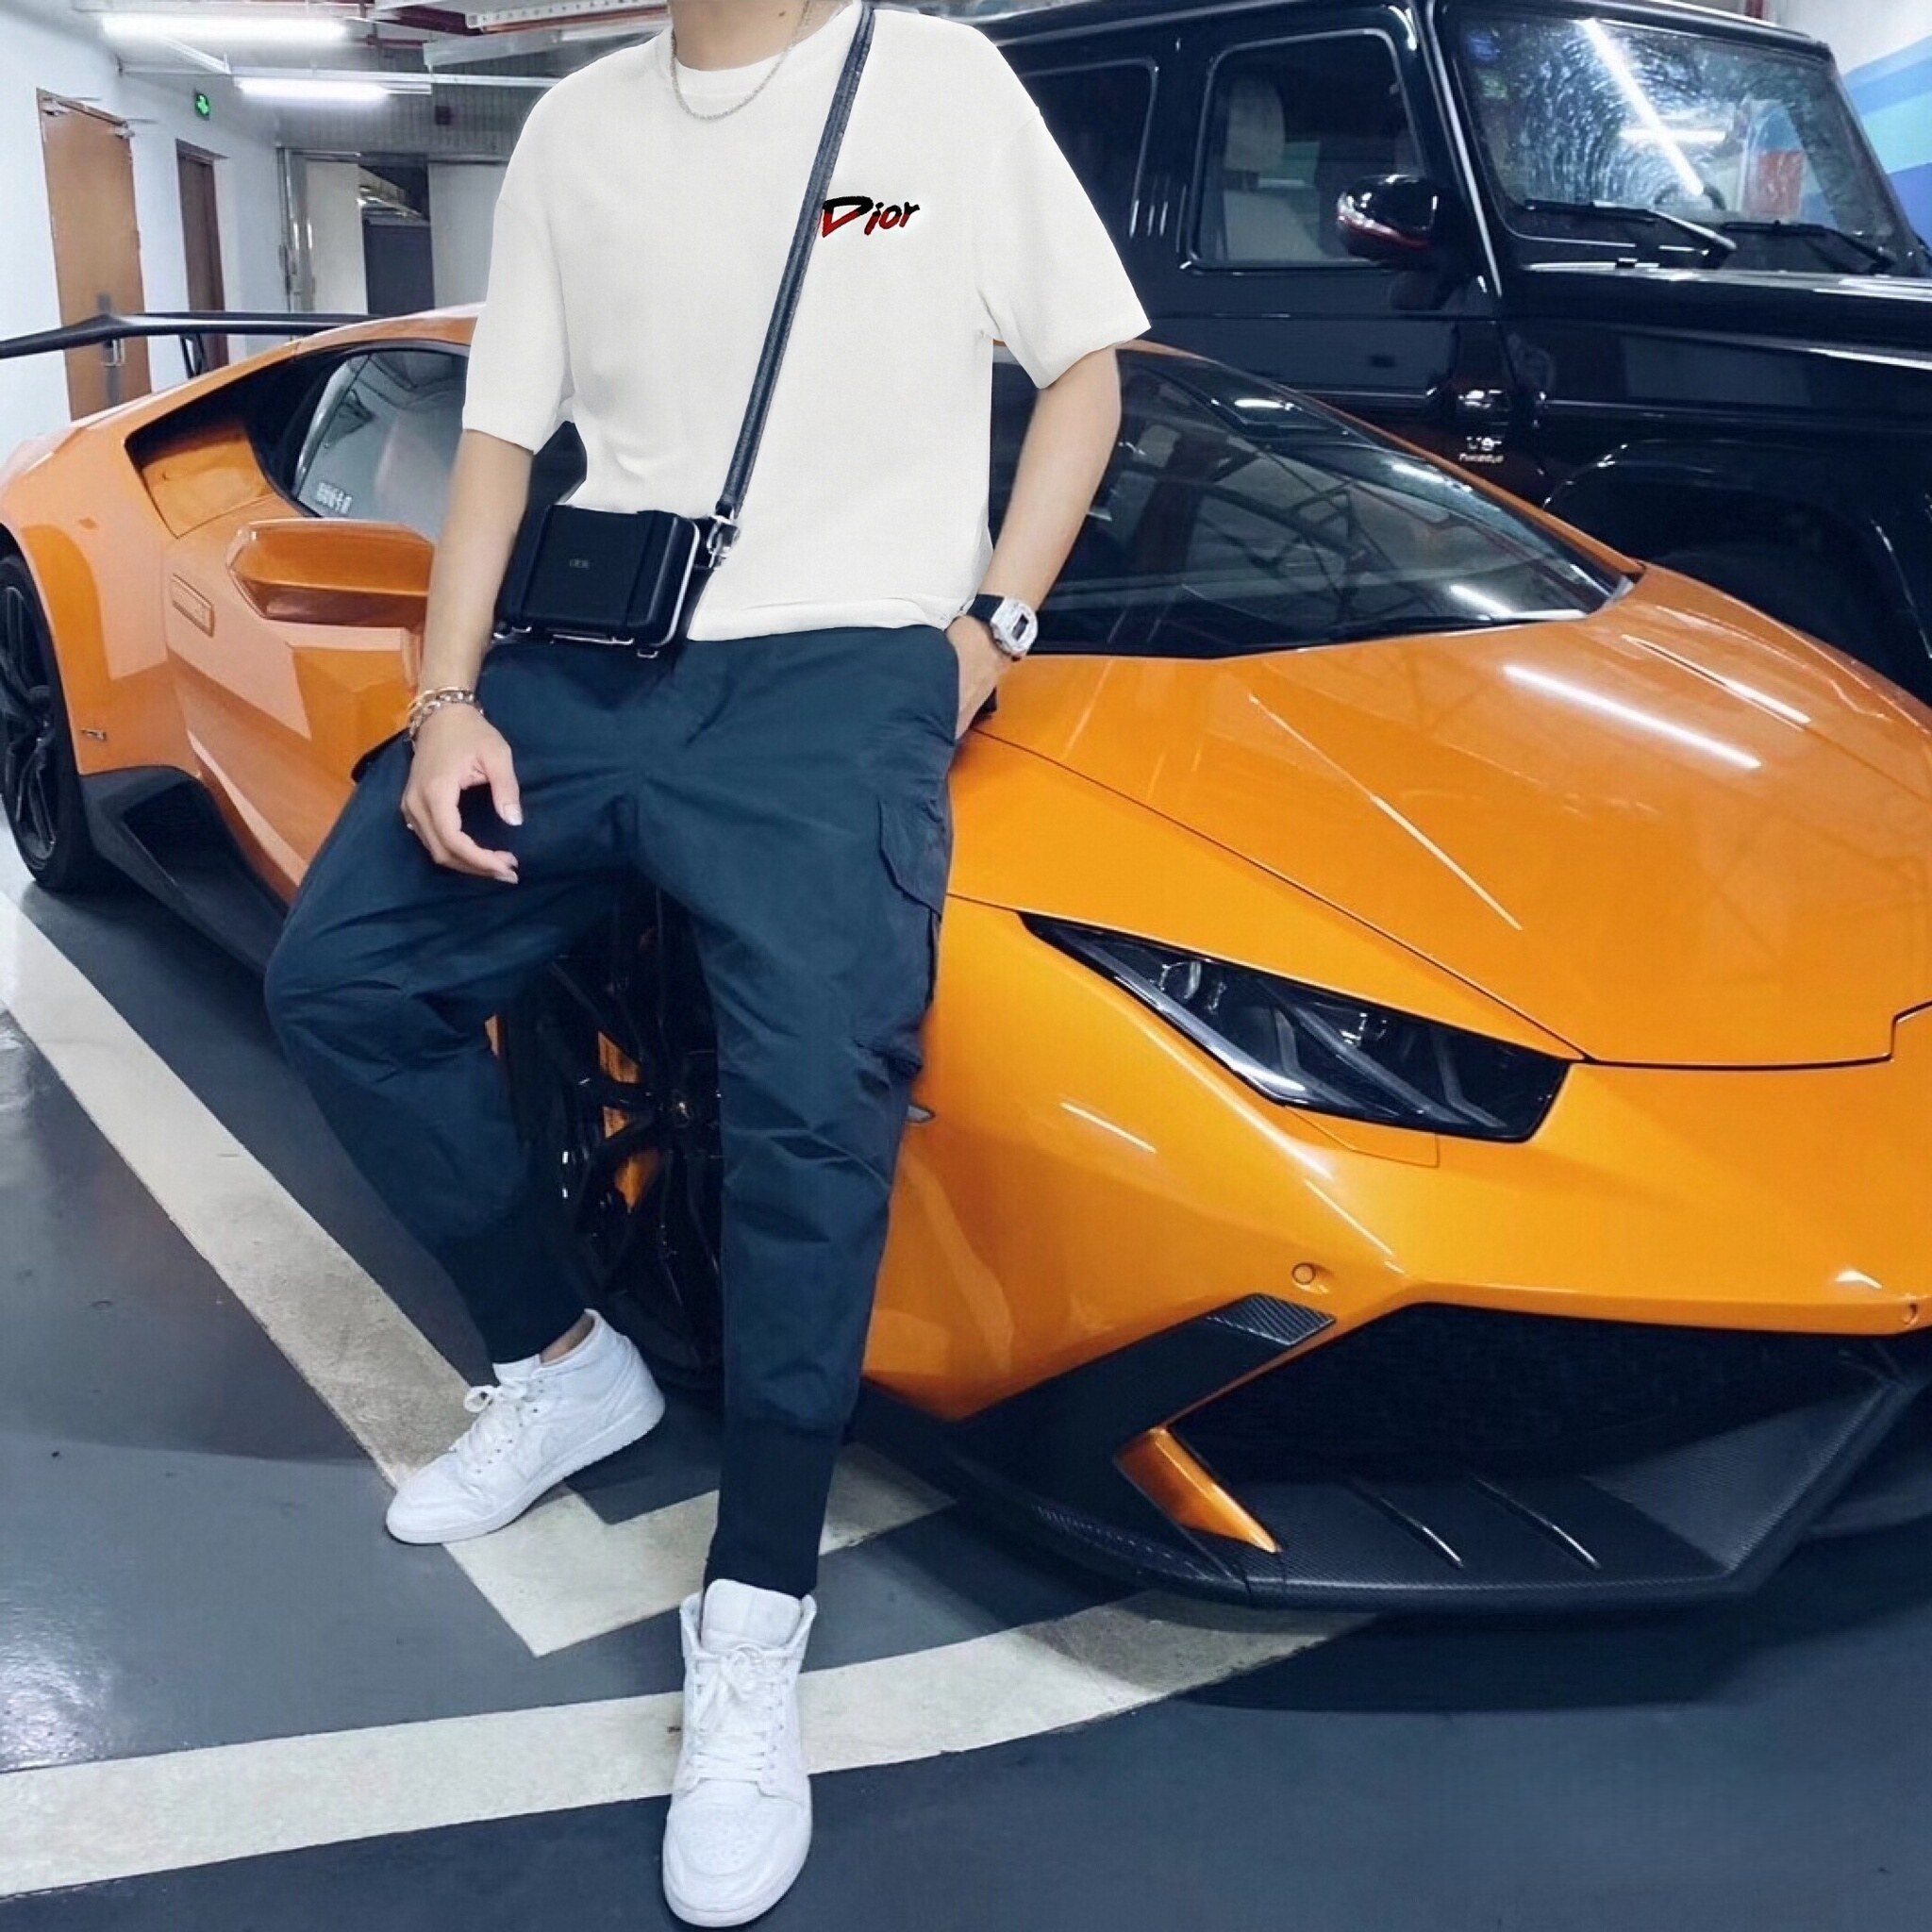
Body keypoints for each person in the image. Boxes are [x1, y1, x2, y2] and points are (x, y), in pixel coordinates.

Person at [262, 0, 1148, 1921]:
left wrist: (989, 625)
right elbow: (502, 438)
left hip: (839, 676)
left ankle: (752, 1617)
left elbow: (1086, 368)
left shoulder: (937, 81)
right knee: (342, 980)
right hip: (591, 656)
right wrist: (446, 697)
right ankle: (559, 1360)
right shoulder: (579, 123)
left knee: (811, 1122)